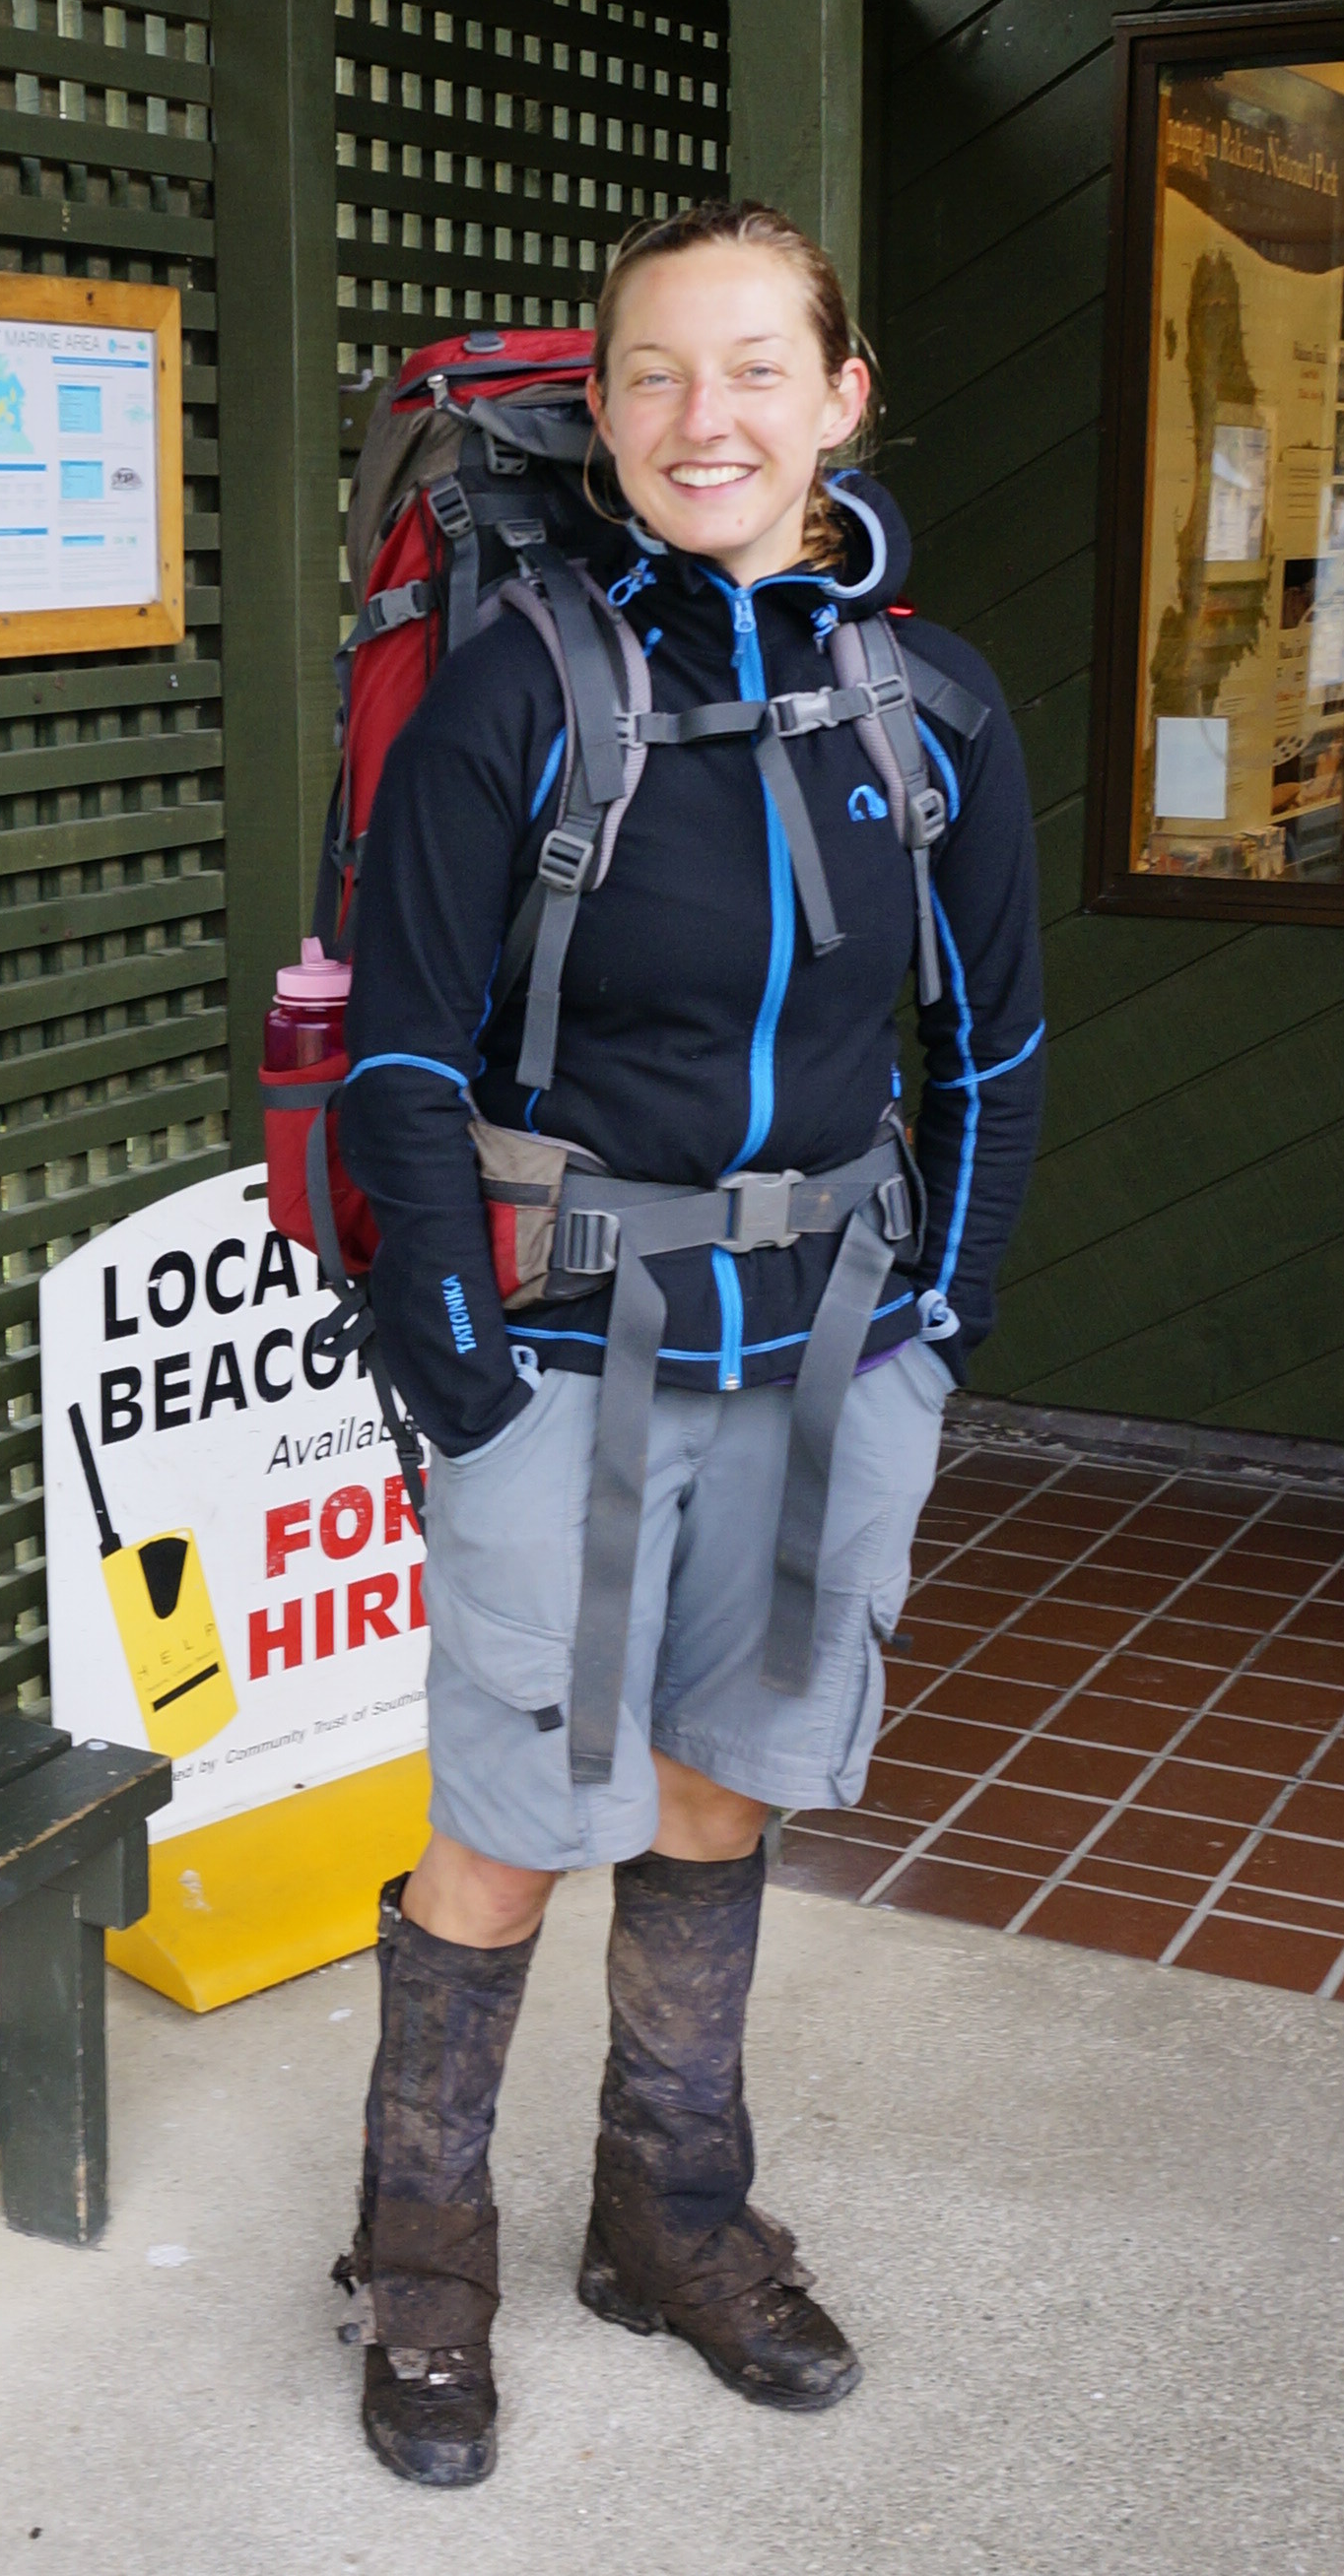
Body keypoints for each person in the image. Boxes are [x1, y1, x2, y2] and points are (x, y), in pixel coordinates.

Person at [331, 200, 1043, 2486]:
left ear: (841, 398)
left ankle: (670, 2211)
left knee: (724, 1782)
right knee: (512, 1822)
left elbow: (996, 1060)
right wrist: (450, 1371)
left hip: (827, 1351)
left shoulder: (928, 708)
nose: (701, 416)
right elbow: (402, 1064)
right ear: (601, 412)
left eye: (752, 369)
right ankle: (422, 2261)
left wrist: (936, 1332)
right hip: (554, 1358)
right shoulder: (518, 686)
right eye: (654, 374)